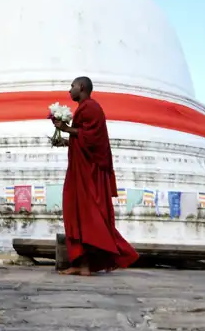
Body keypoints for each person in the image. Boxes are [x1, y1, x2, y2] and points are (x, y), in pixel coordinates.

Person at [52, 76, 139, 276]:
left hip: (88, 175)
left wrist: (66, 129)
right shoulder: (85, 108)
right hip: (79, 172)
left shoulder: (91, 108)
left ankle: (86, 264)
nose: (69, 90)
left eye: (72, 86)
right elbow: (83, 139)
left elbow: (92, 139)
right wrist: (65, 140)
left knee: (87, 217)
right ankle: (81, 264)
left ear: (81, 87)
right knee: (77, 215)